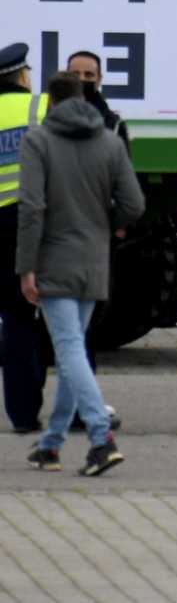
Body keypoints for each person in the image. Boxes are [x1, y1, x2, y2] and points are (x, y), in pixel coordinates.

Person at [17, 70, 145, 475]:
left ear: (50, 102)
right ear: (85, 98)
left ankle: (101, 438)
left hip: (55, 260)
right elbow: (135, 203)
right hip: (95, 260)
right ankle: (52, 444)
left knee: (69, 350)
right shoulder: (109, 140)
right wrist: (111, 225)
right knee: (74, 352)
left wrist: (26, 267)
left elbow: (32, 209)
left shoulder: (38, 141)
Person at [0, 43, 52, 436]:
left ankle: (21, 413)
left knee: (14, 319)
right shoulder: (42, 107)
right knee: (48, 315)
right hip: (34, 221)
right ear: (22, 76)